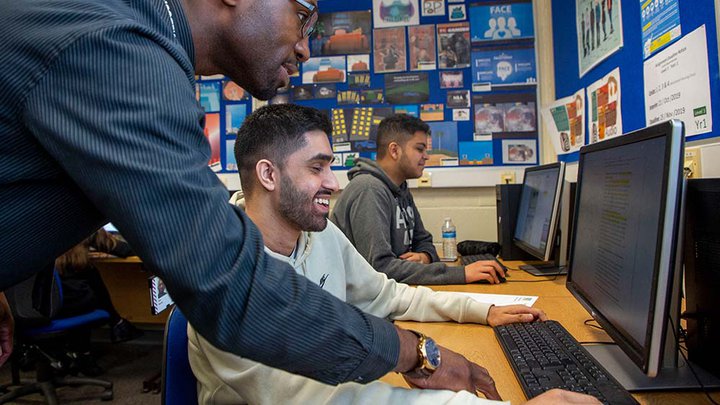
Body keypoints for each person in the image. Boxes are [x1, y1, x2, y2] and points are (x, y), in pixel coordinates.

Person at [0, 0, 458, 389]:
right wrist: (413, 351)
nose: (304, 45)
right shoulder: (117, 48)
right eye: (301, 15)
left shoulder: (118, 33)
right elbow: (229, 284)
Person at [188, 104, 597, 405]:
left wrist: (479, 309)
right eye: (317, 168)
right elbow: (316, 399)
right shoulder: (225, 276)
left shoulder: (320, 233)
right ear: (268, 175)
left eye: (330, 166)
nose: (333, 182)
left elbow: (391, 293)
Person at [331, 114, 506, 285]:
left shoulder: (400, 188)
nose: (426, 156)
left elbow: (424, 241)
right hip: (364, 304)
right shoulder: (368, 189)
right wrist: (461, 274)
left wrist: (425, 256)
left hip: (393, 293)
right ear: (394, 150)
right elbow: (380, 269)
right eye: (420, 149)